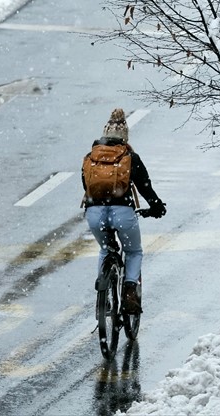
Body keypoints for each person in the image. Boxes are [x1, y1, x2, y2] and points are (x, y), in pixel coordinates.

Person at [81, 108, 166, 315]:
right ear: (124, 137)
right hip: (123, 213)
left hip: (95, 213)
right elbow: (145, 186)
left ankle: (104, 298)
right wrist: (156, 206)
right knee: (133, 251)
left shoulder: (91, 157)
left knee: (105, 249)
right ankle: (129, 293)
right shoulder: (130, 157)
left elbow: (86, 185)